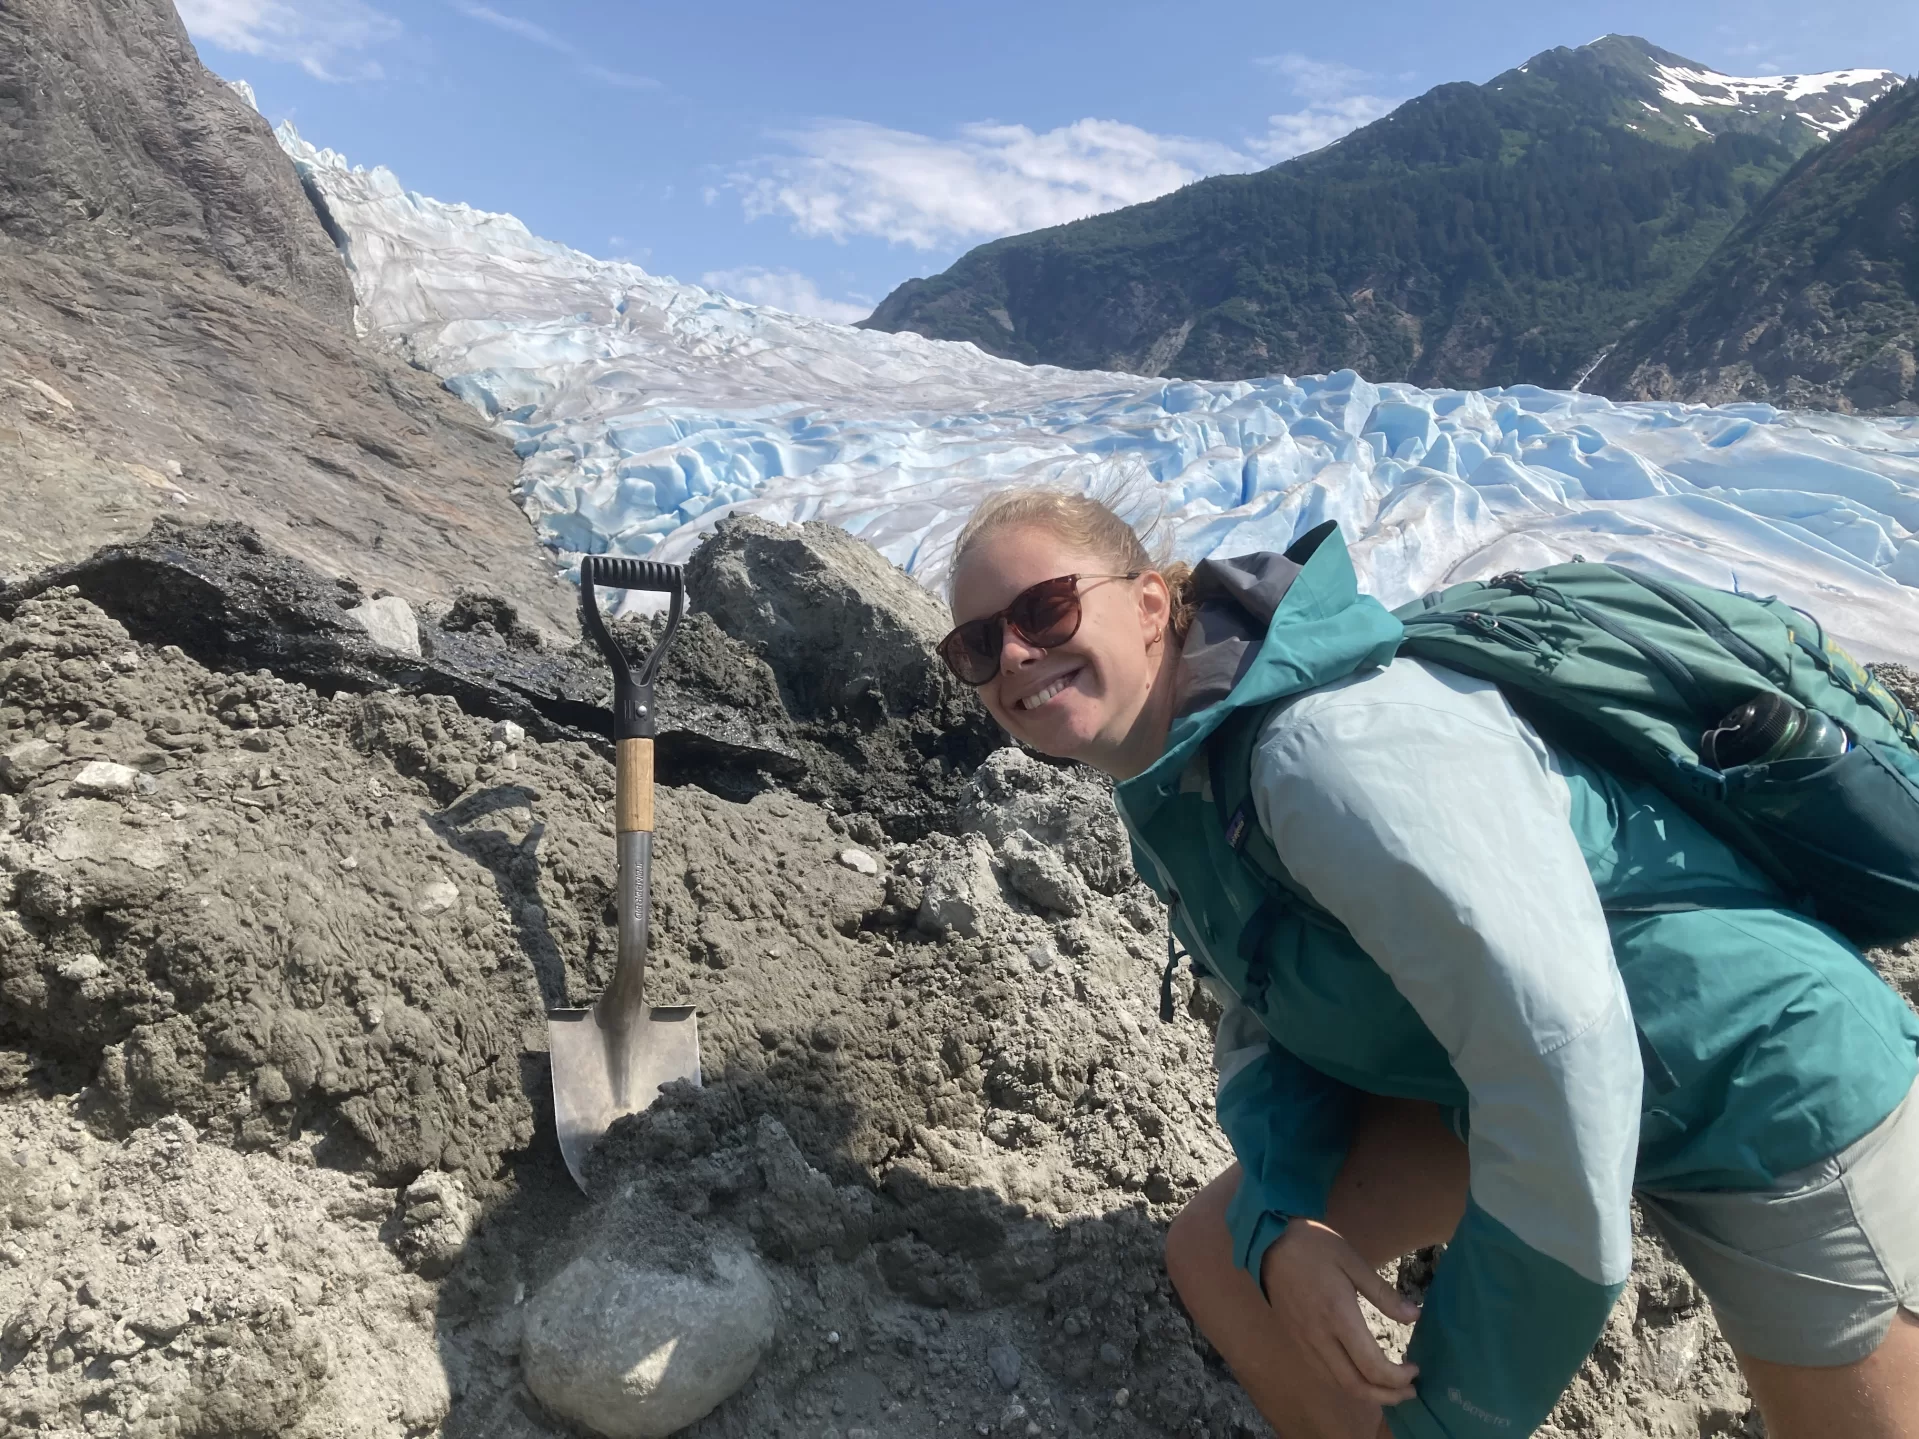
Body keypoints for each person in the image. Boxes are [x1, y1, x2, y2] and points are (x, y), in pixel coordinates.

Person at [936, 487, 1919, 1439]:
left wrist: (1451, 1413)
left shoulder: (1320, 754)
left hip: (1755, 1081)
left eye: (1044, 606)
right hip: (1525, 1073)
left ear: (1150, 600)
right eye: (978, 644)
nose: (1014, 653)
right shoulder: (1179, 777)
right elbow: (1267, 1004)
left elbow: (1562, 1052)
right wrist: (1279, 1215)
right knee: (1228, 1252)